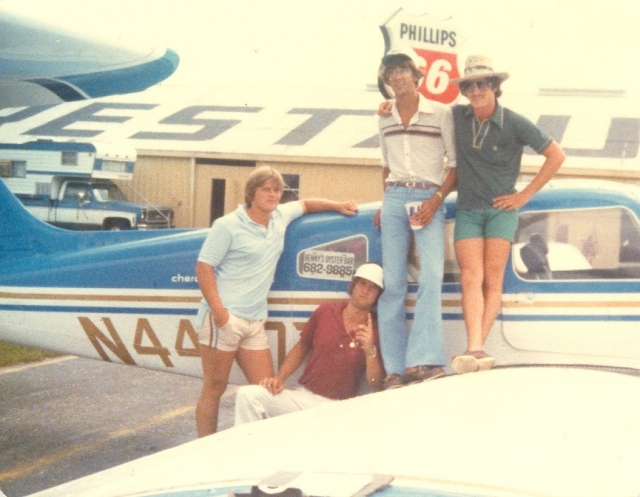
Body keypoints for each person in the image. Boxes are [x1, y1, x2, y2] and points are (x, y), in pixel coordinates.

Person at [194, 165, 358, 437]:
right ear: (251, 193)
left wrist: (339, 205)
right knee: (214, 387)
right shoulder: (228, 225)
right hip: (223, 319)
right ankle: (205, 450)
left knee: (265, 390)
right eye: (266, 189)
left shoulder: (280, 215)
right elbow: (203, 268)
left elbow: (306, 204)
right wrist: (221, 314)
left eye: (277, 190)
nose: (272, 195)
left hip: (254, 321)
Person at [449, 55, 565, 373]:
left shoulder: (514, 121)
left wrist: (524, 195)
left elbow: (556, 155)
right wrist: (387, 105)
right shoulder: (457, 116)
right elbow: (423, 111)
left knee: (493, 278)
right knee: (471, 278)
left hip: (501, 211)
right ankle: (476, 349)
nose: (476, 91)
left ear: (495, 87)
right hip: (469, 209)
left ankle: (475, 348)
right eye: (470, 85)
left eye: (482, 84)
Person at [374, 46, 457, 390]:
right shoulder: (383, 115)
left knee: (431, 276)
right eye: (390, 71)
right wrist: (384, 201)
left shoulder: (441, 113)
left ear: (416, 75)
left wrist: (436, 200)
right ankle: (395, 368)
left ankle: (423, 361)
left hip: (428, 199)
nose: (397, 76)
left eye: (403, 70)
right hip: (394, 199)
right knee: (392, 284)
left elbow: (453, 164)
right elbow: (385, 164)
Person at [234, 263, 385, 425]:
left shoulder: (376, 329)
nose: (366, 291)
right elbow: (302, 347)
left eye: (373, 288)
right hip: (304, 398)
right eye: (362, 283)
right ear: (353, 285)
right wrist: (279, 378)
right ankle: (250, 447)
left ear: (378, 295)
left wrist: (370, 350)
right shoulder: (326, 311)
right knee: (248, 395)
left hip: (338, 407)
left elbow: (375, 384)